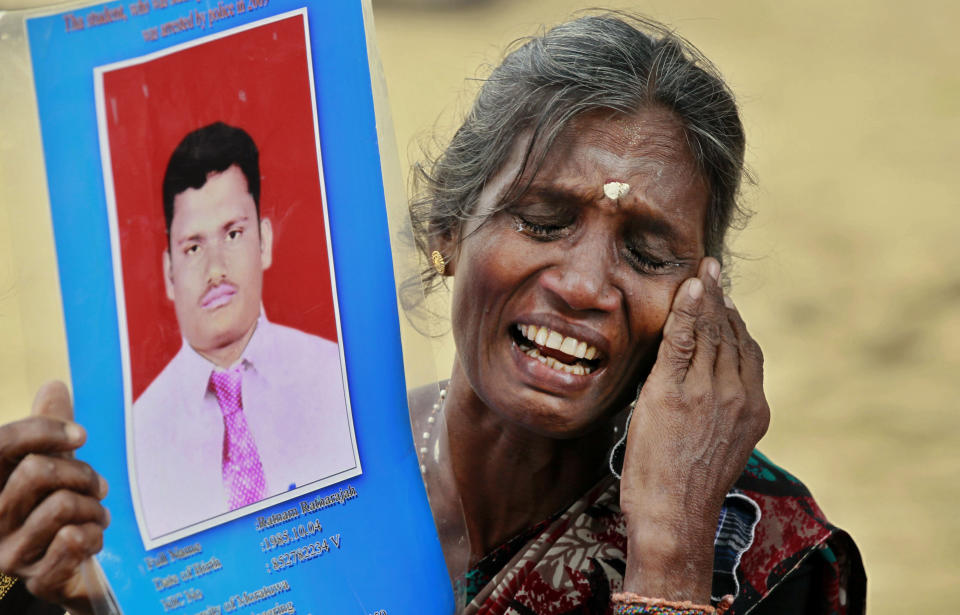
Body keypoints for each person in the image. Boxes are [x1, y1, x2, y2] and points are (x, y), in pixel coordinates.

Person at [0, 13, 864, 615]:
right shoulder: (303, 467)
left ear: (699, 300)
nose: (586, 284)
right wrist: (63, 588)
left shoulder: (764, 551)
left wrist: (671, 549)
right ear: (449, 230)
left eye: (646, 252)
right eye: (541, 220)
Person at [134, 122, 358, 541]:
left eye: (233, 234)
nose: (215, 270)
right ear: (168, 272)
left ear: (264, 242)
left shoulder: (337, 377)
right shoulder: (139, 436)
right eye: (193, 248)